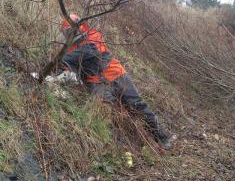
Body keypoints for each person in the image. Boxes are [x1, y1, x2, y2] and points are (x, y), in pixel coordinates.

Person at [57, 14, 173, 149]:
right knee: (105, 113)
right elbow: (69, 68)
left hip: (116, 74)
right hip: (97, 84)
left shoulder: (93, 36)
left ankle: (162, 137)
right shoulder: (70, 50)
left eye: (71, 29)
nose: (70, 32)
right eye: (67, 31)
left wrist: (61, 58)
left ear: (80, 25)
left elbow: (89, 51)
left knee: (137, 105)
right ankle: (118, 146)